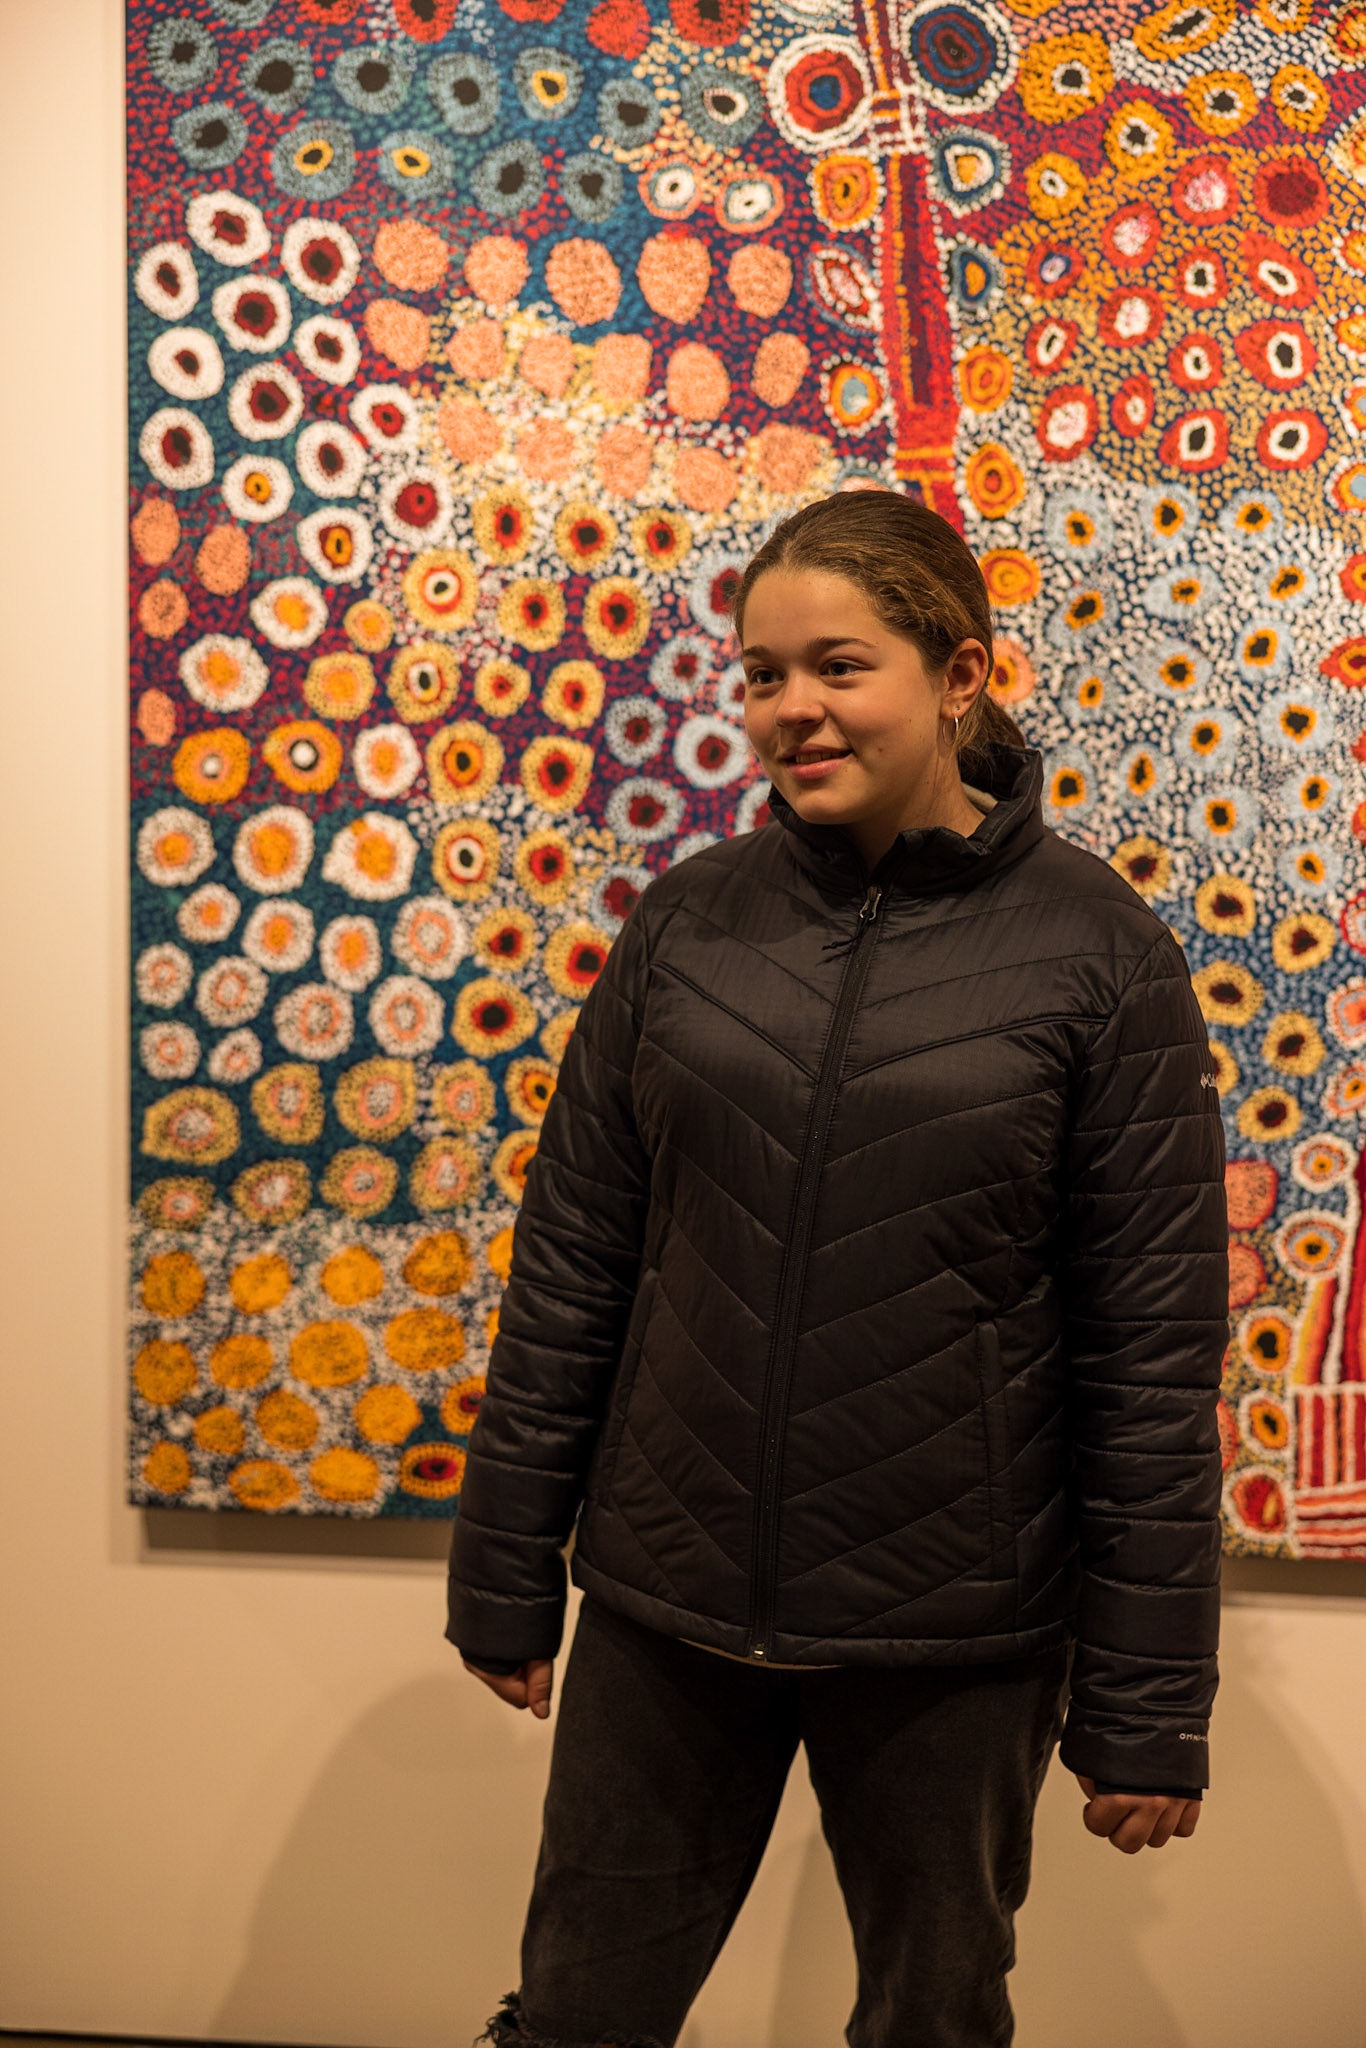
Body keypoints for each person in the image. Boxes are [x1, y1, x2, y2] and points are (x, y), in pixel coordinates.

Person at [447, 490, 1229, 2048]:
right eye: (760, 673)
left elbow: (1145, 1361)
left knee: (930, 2025)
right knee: (577, 2019)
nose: (789, 707)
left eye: (838, 666)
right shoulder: (687, 927)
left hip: (955, 1635)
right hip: (665, 1609)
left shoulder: (1099, 956)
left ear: (959, 676)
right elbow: (575, 1263)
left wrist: (1145, 1706)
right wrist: (506, 1562)